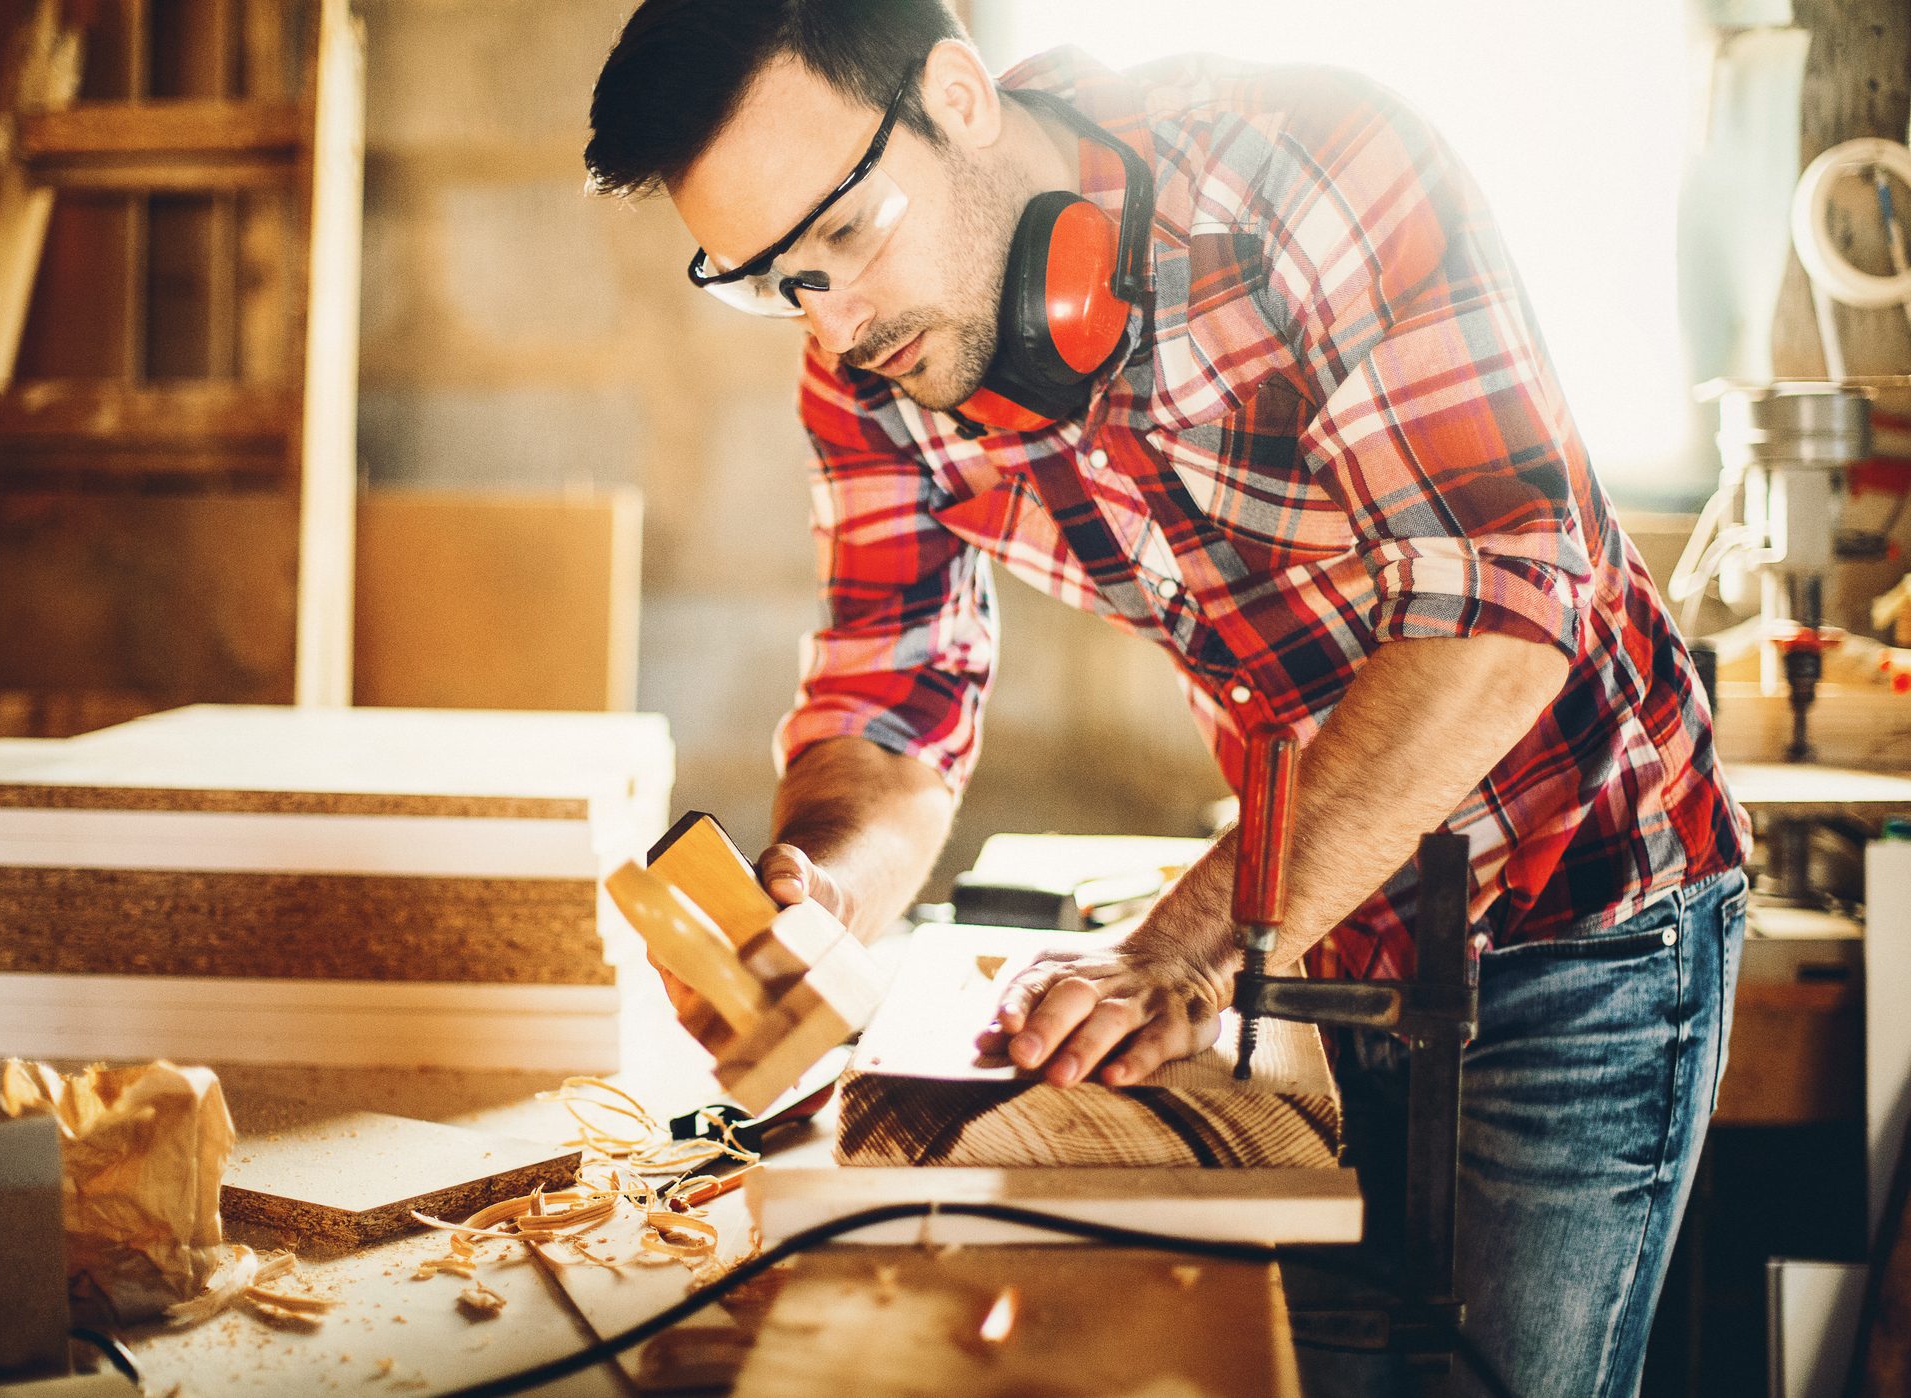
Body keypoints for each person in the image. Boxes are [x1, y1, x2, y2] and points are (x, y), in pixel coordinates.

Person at [585, 3, 1751, 1393]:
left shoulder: (1309, 178)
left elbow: (1501, 618)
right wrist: (820, 893)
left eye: (846, 237)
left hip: (1591, 909)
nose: (835, 319)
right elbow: (891, 703)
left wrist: (1179, 949)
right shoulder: (872, 368)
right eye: (774, 279)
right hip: (1328, 944)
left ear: (957, 94)